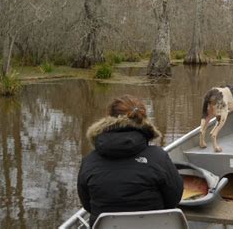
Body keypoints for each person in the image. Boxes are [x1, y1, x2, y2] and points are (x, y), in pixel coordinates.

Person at [77, 95, 183, 227]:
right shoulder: (159, 157)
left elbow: (87, 205)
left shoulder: (89, 161)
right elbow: (174, 199)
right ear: (143, 121)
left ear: (108, 119)